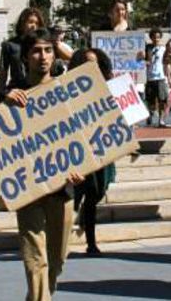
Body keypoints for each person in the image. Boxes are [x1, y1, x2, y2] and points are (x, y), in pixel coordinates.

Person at [0, 28, 86, 301]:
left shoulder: (67, 88)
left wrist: (81, 166)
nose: (43, 57)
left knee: (56, 261)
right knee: (35, 260)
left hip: (63, 187)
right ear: (25, 57)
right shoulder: (15, 95)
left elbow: (84, 133)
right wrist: (5, 101)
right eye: (36, 51)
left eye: (48, 50)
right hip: (29, 188)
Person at [68, 48, 118, 255]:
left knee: (98, 191)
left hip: (103, 150)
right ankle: (90, 241)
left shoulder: (110, 88)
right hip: (80, 151)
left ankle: (83, 223)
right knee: (82, 194)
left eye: (96, 63)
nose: (92, 67)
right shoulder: (70, 91)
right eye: (87, 63)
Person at [0, 8, 72, 101]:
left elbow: (73, 58)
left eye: (37, 23)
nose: (33, 26)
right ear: (22, 23)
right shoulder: (10, 45)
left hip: (47, 88)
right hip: (19, 91)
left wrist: (56, 44)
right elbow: (2, 72)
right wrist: (3, 92)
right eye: (30, 22)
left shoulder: (47, 42)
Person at [144, 28, 169, 127]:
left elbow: (166, 64)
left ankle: (161, 120)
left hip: (161, 77)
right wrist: (144, 61)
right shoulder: (147, 49)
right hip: (150, 78)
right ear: (151, 38)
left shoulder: (164, 49)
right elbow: (142, 60)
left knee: (162, 100)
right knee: (150, 100)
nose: (156, 39)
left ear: (160, 38)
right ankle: (151, 114)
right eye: (154, 37)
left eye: (158, 37)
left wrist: (169, 77)